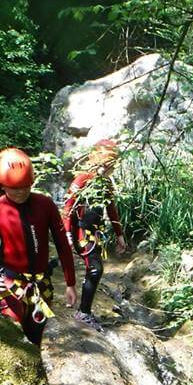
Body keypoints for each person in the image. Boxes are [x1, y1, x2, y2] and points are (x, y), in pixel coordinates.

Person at [0, 147, 77, 347]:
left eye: (25, 186)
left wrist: (70, 283)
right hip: (10, 283)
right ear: (2, 185)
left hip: (41, 283)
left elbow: (63, 245)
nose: (21, 192)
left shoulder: (45, 205)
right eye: (14, 188)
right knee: (14, 335)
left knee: (37, 333)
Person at [62, 138, 127, 331]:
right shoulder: (82, 179)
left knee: (95, 268)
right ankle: (83, 313)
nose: (109, 168)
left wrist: (119, 234)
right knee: (95, 270)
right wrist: (66, 233)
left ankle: (83, 309)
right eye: (107, 164)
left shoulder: (105, 183)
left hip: (95, 232)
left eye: (112, 165)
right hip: (81, 230)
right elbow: (67, 207)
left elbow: (111, 208)